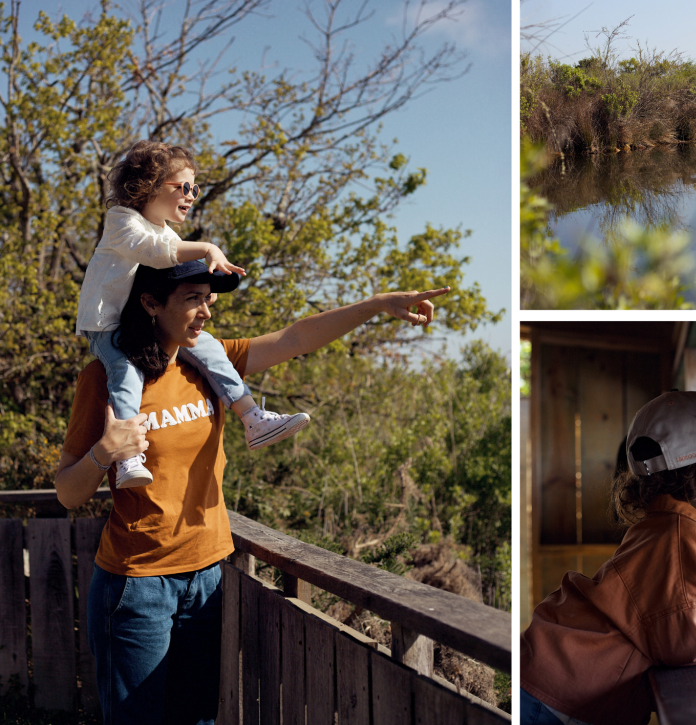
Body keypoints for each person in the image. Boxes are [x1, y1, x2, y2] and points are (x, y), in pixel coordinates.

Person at [56, 259, 450, 724]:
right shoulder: (103, 378)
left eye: (208, 298)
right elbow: (67, 492)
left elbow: (295, 339)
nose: (206, 311)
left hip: (207, 577)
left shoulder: (207, 361)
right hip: (137, 586)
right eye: (192, 299)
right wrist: (105, 451)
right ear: (149, 303)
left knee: (198, 718)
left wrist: (379, 304)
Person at [520, 391, 696, 725]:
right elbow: (688, 644)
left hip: (547, 677)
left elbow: (663, 617)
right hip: (557, 700)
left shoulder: (660, 528)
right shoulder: (687, 537)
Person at [76, 141, 309, 490]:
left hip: (143, 321)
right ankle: (128, 456)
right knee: (125, 370)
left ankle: (252, 417)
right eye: (183, 187)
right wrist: (207, 248)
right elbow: (154, 253)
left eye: (194, 188)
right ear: (147, 187)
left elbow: (172, 265)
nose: (191, 195)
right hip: (106, 324)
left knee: (209, 346)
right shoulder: (122, 221)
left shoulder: (167, 231)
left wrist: (205, 289)